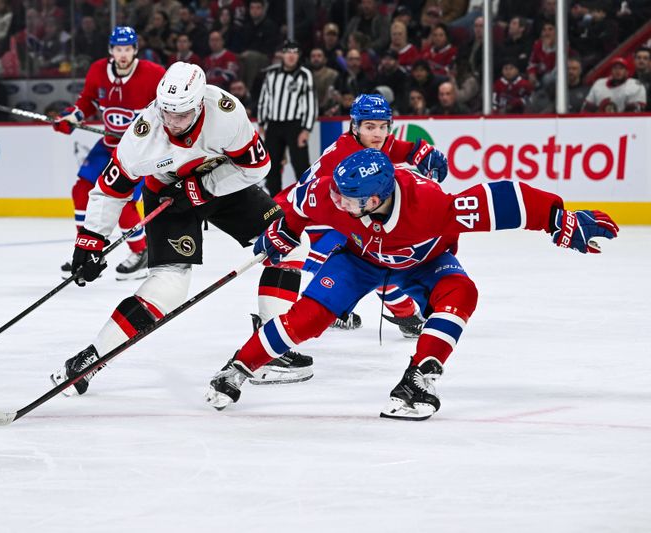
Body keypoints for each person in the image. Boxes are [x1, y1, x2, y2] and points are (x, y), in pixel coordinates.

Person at [205, 148, 619, 419]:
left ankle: (418, 378)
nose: (338, 204)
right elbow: (298, 206)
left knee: (462, 292)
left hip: (423, 262)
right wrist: (282, 232)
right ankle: (237, 368)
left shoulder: (431, 206)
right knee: (308, 318)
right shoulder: (333, 193)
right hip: (359, 261)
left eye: (348, 200)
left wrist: (557, 218)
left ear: (374, 199)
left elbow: (503, 200)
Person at [49, 62, 314, 396]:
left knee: (290, 240)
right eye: (167, 113)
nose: (172, 122)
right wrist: (89, 241)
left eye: (182, 115)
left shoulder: (226, 112)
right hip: (167, 196)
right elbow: (110, 189)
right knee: (169, 286)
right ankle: (89, 360)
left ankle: (269, 347)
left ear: (200, 104)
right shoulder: (143, 134)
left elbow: (258, 166)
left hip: (223, 185)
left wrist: (203, 187)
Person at [274, 93, 449, 332]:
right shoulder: (343, 156)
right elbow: (305, 199)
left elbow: (397, 148)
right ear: (354, 127)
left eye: (383, 126)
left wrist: (422, 152)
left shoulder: (370, 142)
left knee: (376, 254)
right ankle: (398, 315)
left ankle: (404, 315)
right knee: (370, 258)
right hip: (303, 222)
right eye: (369, 126)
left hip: (327, 218)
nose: (377, 134)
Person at [52, 26, 165, 280]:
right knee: (80, 191)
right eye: (118, 49)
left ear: (135, 50)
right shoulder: (97, 70)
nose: (123, 54)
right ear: (110, 50)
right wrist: (72, 117)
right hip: (108, 143)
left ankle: (141, 251)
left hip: (138, 151)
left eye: (127, 49)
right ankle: (86, 251)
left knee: (123, 202)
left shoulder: (154, 74)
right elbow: (88, 101)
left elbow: (167, 109)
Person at [256, 39, 317, 196]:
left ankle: (304, 199)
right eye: (288, 52)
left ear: (299, 56)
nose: (291, 56)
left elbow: (310, 103)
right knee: (272, 166)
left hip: (295, 126)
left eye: (295, 52)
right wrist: (262, 123)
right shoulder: (272, 74)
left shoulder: (304, 75)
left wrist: (306, 129)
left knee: (301, 165)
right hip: (274, 125)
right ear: (282, 54)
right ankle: (276, 201)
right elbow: (264, 99)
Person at [583, 56, 647, 113]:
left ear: (627, 72)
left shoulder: (634, 85)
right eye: (615, 68)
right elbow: (586, 108)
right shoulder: (599, 83)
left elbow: (635, 113)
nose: (617, 71)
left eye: (621, 68)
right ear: (610, 71)